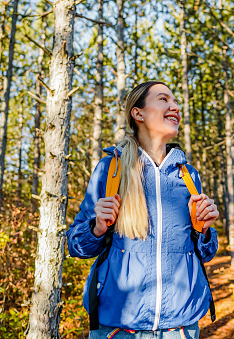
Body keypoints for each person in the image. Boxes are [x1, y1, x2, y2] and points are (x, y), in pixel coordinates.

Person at [66, 81, 219, 339]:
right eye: (163, 99)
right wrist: (97, 228)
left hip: (180, 329)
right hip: (119, 329)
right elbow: (75, 245)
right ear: (138, 114)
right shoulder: (110, 169)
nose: (175, 106)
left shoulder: (188, 175)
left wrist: (203, 230)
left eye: (175, 101)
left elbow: (204, 253)